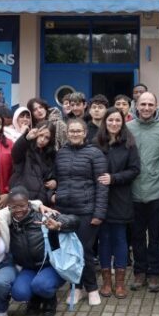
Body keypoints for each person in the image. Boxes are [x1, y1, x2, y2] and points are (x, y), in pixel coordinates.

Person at [52, 118, 108, 306]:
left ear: (85, 133)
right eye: (72, 131)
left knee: (84, 251)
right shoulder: (60, 153)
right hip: (64, 210)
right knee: (69, 252)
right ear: (67, 133)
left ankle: (91, 288)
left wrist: (99, 213)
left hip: (86, 210)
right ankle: (76, 288)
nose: (75, 134)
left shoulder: (95, 153)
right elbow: (55, 179)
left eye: (78, 131)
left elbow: (102, 186)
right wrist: (53, 195)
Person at [7, 187, 78, 316]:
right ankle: (35, 298)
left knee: (41, 285)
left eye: (22, 206)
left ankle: (49, 299)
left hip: (50, 266)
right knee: (19, 293)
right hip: (28, 268)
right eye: (14, 207)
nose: (18, 210)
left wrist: (59, 225)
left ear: (29, 204)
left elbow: (75, 221)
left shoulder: (43, 217)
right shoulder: (9, 223)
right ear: (9, 207)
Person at [95, 107, 141, 298]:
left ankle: (120, 283)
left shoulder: (129, 144)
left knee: (120, 240)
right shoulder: (95, 144)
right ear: (105, 122)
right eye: (110, 120)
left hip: (121, 198)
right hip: (100, 199)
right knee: (104, 240)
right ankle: (106, 282)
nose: (114, 124)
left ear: (123, 123)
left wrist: (114, 178)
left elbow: (135, 170)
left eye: (117, 120)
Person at [126, 91, 159, 292]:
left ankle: (154, 274)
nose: (146, 108)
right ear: (136, 105)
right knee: (137, 236)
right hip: (133, 190)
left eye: (150, 104)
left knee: (156, 236)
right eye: (143, 104)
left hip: (156, 190)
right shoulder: (128, 128)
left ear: (156, 106)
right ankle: (139, 272)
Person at [9, 123, 57, 204]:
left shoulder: (51, 155)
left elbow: (51, 177)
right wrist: (27, 138)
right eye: (41, 135)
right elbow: (16, 152)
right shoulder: (25, 149)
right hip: (21, 200)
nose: (42, 140)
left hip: (40, 202)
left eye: (47, 138)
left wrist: (55, 182)